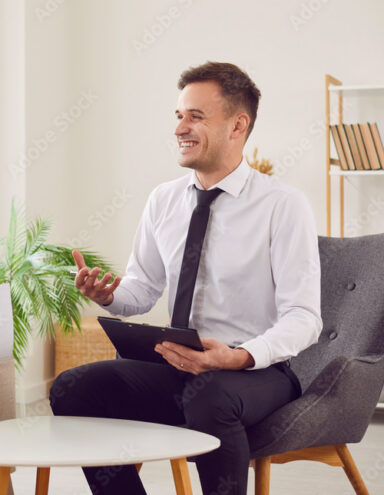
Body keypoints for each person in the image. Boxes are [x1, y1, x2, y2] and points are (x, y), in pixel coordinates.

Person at [49, 62, 322, 495]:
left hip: (255, 373)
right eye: (179, 115)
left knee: (209, 394)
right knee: (72, 388)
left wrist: (237, 356)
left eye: (195, 116)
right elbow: (142, 290)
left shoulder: (282, 206)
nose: (180, 127)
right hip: (177, 364)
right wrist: (109, 296)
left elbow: (304, 317)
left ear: (238, 125)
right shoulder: (164, 200)